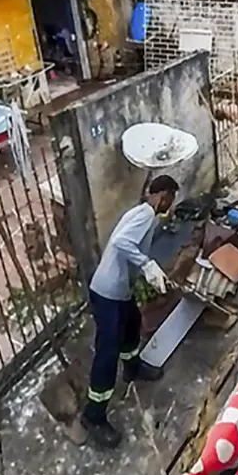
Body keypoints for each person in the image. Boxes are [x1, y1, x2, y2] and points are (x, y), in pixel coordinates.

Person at [80, 175, 179, 448]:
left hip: (121, 290)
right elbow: (122, 243)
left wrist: (144, 273)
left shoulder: (143, 213)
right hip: (107, 292)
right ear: (163, 195)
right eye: (171, 197)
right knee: (107, 351)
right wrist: (146, 264)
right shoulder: (145, 214)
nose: (171, 204)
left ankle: (133, 368)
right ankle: (93, 414)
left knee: (132, 324)